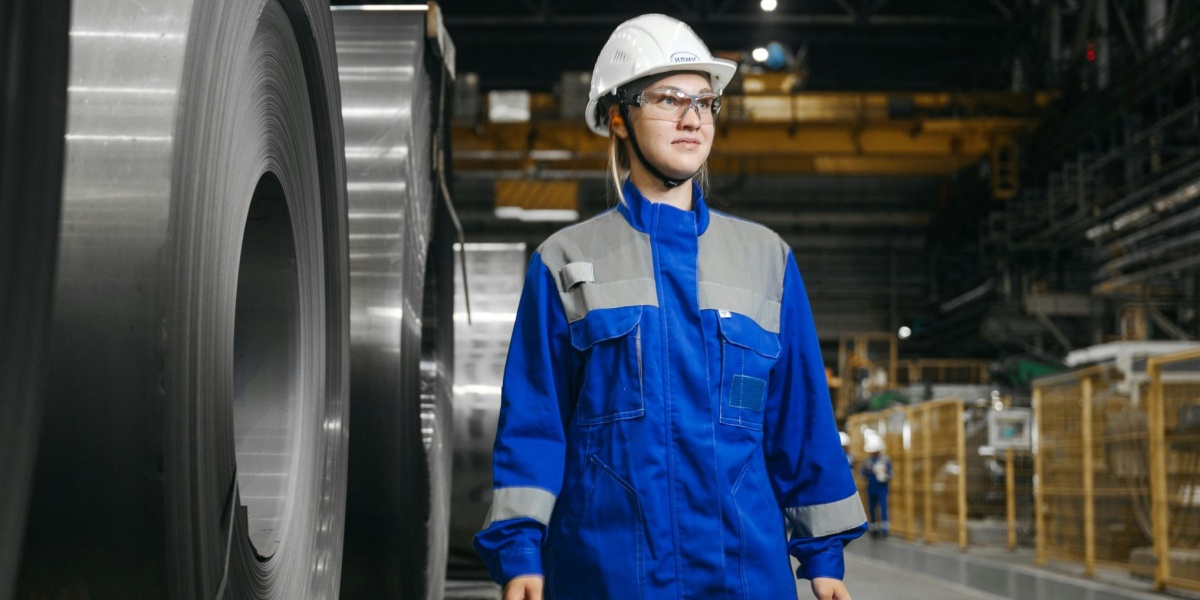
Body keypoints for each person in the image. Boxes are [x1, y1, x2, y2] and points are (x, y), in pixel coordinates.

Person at [473, 14, 867, 600]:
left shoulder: (766, 259)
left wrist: (823, 557)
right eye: (668, 98)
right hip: (606, 572)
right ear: (618, 118)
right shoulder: (566, 261)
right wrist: (521, 549)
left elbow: (799, 420)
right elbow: (535, 420)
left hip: (744, 571)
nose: (692, 118)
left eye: (705, 102)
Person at [859, 432, 892, 539]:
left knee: (883, 507)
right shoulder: (867, 461)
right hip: (871, 487)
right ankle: (873, 528)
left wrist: (884, 474)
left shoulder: (885, 460)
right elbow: (862, 474)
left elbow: (891, 474)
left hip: (882, 487)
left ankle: (884, 529)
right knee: (872, 507)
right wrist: (867, 471)